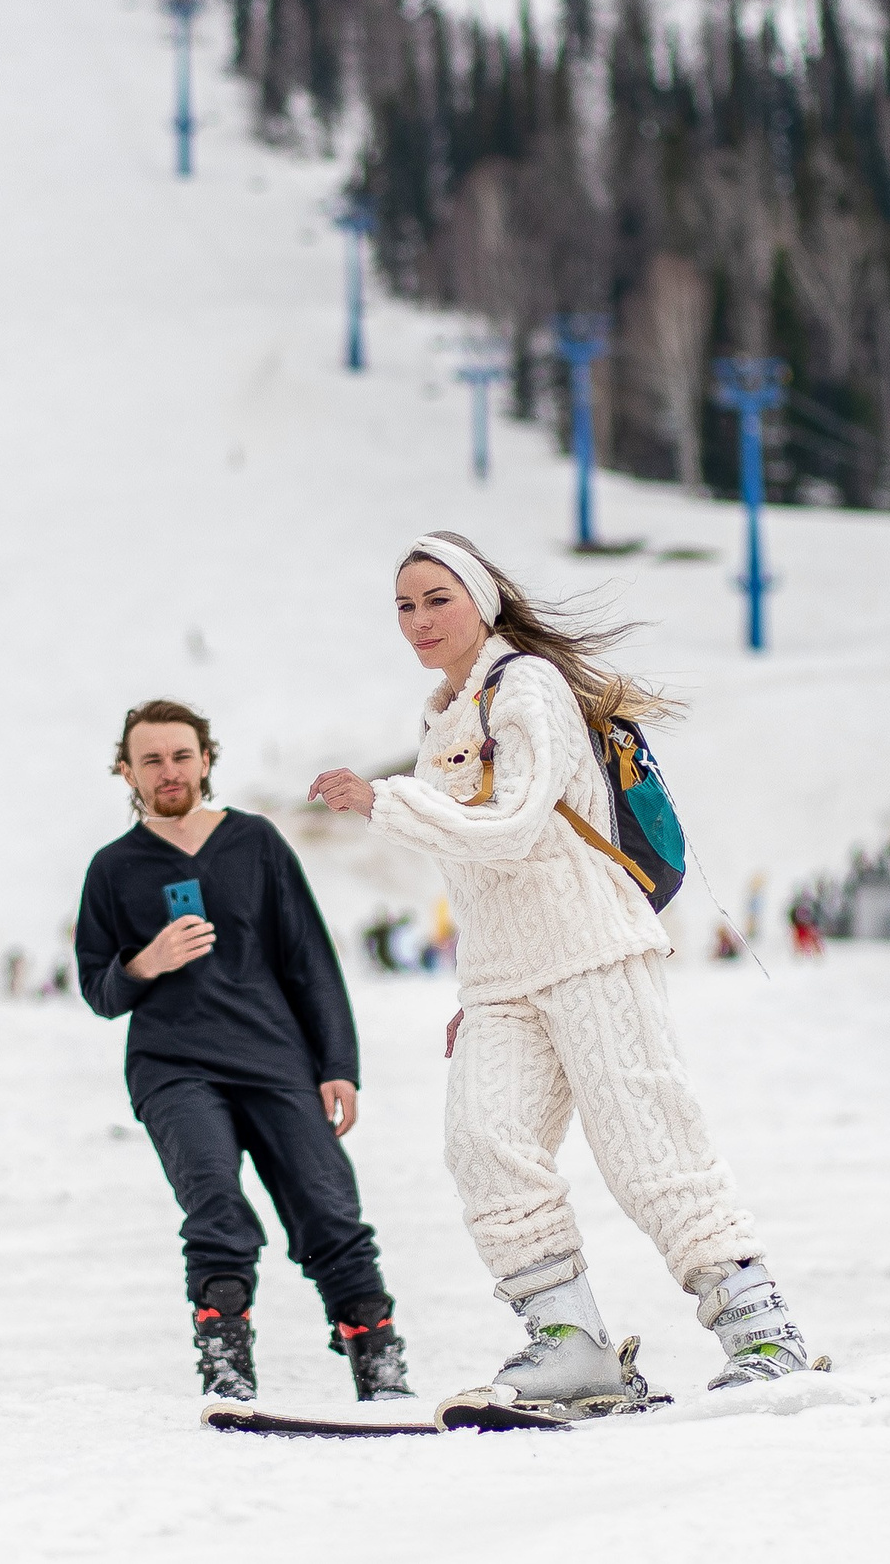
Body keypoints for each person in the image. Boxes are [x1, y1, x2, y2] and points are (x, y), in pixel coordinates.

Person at [308, 532, 812, 1407]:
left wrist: (384, 800)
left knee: (647, 1145)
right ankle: (570, 1341)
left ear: (484, 602)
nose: (420, 619)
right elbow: (478, 877)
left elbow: (514, 828)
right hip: (506, 980)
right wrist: (479, 986)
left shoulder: (528, 687)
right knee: (483, 1140)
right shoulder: (442, 715)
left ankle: (759, 1325)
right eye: (404, 605)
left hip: (592, 950)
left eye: (438, 598)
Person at [76, 700, 412, 1404]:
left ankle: (378, 1367)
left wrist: (337, 1065)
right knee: (215, 1206)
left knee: (328, 1209)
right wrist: (146, 962)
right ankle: (226, 1365)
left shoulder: (255, 843)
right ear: (125, 770)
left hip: (275, 1059)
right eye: (151, 760)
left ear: (205, 759)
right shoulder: (113, 869)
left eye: (180, 755)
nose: (168, 771)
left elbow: (309, 960)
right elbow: (99, 991)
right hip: (173, 1069)